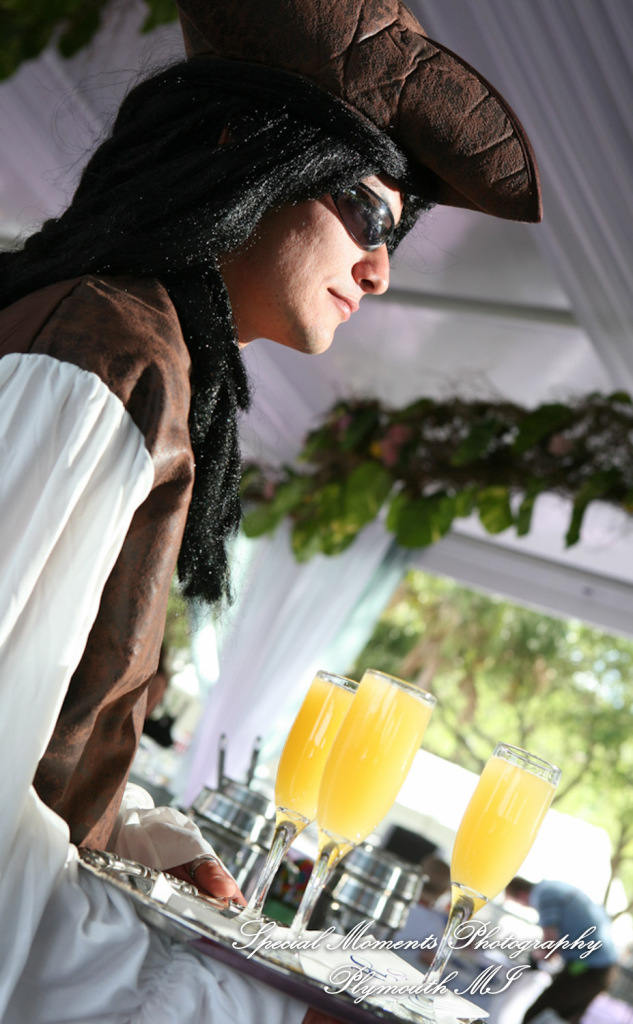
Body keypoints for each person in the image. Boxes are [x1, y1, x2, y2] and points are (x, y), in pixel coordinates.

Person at [0, 0, 543, 1020]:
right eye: (370, 214)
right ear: (242, 147)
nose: (381, 270)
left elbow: (33, 742)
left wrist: (143, 832)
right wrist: (255, 1005)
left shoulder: (133, 348)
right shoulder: (104, 354)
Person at [506, 877, 619, 1024]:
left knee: (536, 1017)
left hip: (589, 968)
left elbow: (550, 947)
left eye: (518, 903)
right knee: (561, 1019)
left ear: (521, 895)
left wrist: (534, 958)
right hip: (602, 968)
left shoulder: (543, 895)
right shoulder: (552, 887)